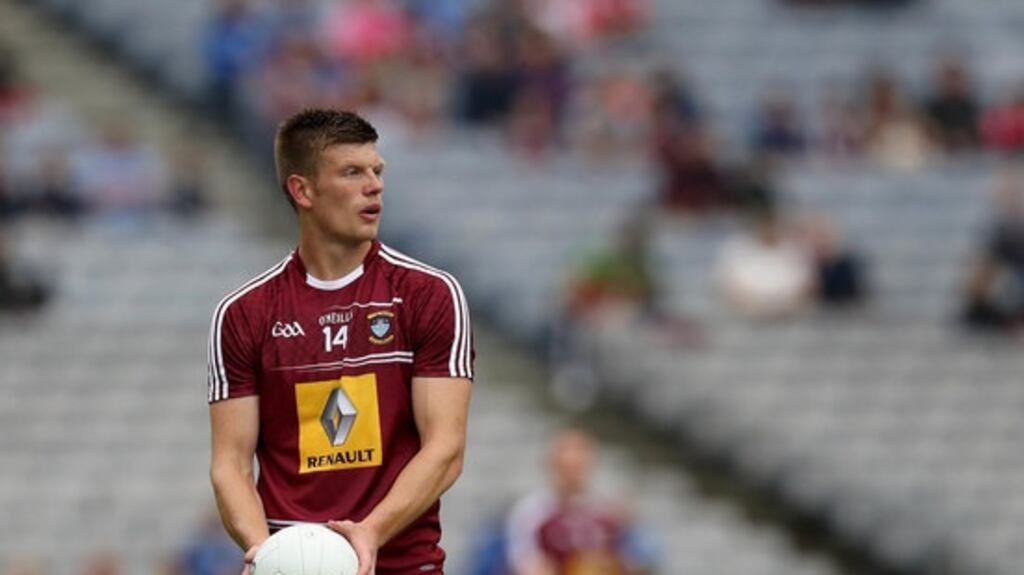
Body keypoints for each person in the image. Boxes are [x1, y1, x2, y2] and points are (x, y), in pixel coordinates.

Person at [207, 109, 474, 575]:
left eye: (377, 171)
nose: (375, 185)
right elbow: (230, 465)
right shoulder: (244, 314)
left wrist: (369, 533)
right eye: (353, 172)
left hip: (402, 567)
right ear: (302, 190)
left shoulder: (428, 295)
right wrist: (263, 551)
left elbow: (446, 450)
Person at [505, 428, 658, 575]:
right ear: (551, 464)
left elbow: (640, 559)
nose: (572, 469)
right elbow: (525, 563)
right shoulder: (531, 512)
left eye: (577, 464)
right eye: (565, 465)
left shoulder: (611, 512)